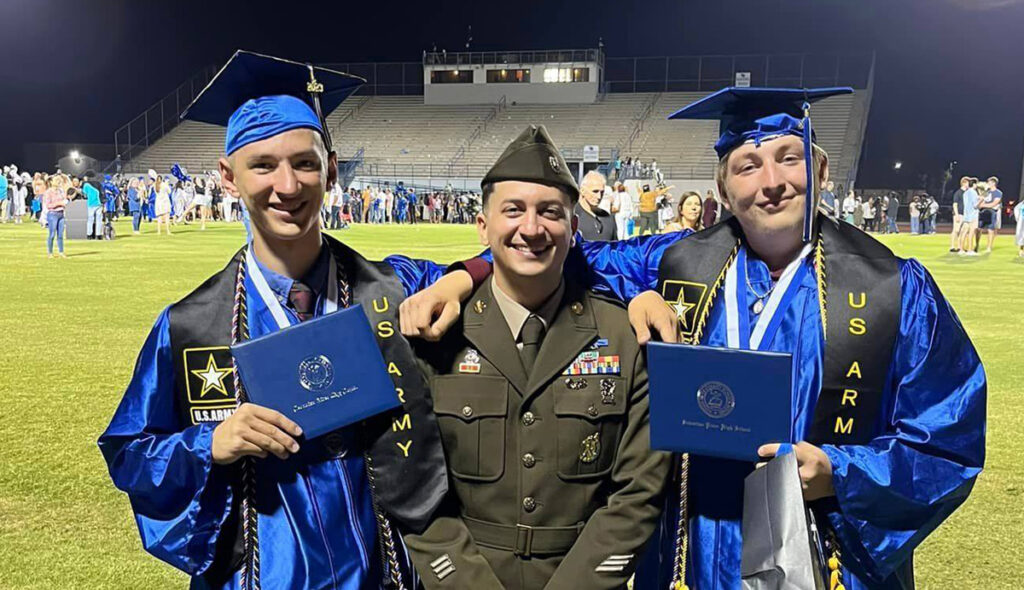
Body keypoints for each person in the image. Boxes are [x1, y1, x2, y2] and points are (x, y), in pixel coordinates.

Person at [406, 87, 986, 590]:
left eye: (790, 159)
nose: (772, 182)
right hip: (692, 552)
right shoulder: (673, 263)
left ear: (822, 171)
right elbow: (544, 250)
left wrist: (841, 471)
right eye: (748, 166)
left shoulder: (895, 290)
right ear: (723, 188)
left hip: (821, 553)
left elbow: (947, 442)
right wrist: (463, 277)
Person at [98, 51, 455, 590]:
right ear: (228, 177)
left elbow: (532, 260)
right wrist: (210, 443)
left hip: (386, 573)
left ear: (330, 170)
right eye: (263, 165)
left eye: (305, 163)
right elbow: (130, 454)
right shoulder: (190, 326)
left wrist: (460, 279)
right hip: (263, 576)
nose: (287, 186)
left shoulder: (394, 288)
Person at [402, 125, 670, 589]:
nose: (531, 228)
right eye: (513, 210)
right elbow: (415, 485)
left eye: (550, 212)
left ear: (573, 230)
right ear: (482, 226)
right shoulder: (436, 334)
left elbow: (638, 492)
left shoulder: (624, 338)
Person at [575, 170, 617, 241]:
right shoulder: (571, 217)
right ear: (582, 191)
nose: (599, 196)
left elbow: (615, 245)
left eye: (602, 192)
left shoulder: (608, 218)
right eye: (595, 191)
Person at [43, 178, 68, 258]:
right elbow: (48, 205)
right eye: (58, 181)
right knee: (52, 234)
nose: (59, 183)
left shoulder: (61, 191)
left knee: (60, 234)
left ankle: (61, 252)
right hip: (53, 214)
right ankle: (50, 253)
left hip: (61, 213)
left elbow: (64, 199)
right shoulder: (48, 192)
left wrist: (65, 202)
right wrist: (59, 203)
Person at [979, 176, 1002, 253]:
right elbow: (981, 201)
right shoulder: (986, 192)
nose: (988, 184)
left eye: (989, 182)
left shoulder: (998, 193)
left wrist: (983, 205)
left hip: (992, 212)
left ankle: (989, 247)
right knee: (979, 229)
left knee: (990, 229)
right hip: (984, 211)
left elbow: (994, 203)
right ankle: (976, 245)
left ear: (993, 183)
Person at [959, 178, 979, 254]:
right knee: (971, 233)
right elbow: (975, 205)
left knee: (964, 232)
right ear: (974, 184)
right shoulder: (974, 192)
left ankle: (961, 249)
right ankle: (970, 250)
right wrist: (981, 200)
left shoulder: (965, 193)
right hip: (973, 214)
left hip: (966, 214)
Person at [82, 172, 103, 239]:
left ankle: (89, 234)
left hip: (91, 203)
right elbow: (102, 192)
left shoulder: (86, 184)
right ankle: (98, 234)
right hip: (99, 203)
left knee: (90, 219)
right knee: (99, 219)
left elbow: (84, 194)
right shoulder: (98, 183)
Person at [950, 177, 967, 251]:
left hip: (965, 214)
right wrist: (956, 214)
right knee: (956, 230)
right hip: (959, 213)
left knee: (963, 231)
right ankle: (952, 246)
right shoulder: (958, 193)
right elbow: (955, 204)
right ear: (963, 183)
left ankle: (960, 246)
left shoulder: (967, 193)